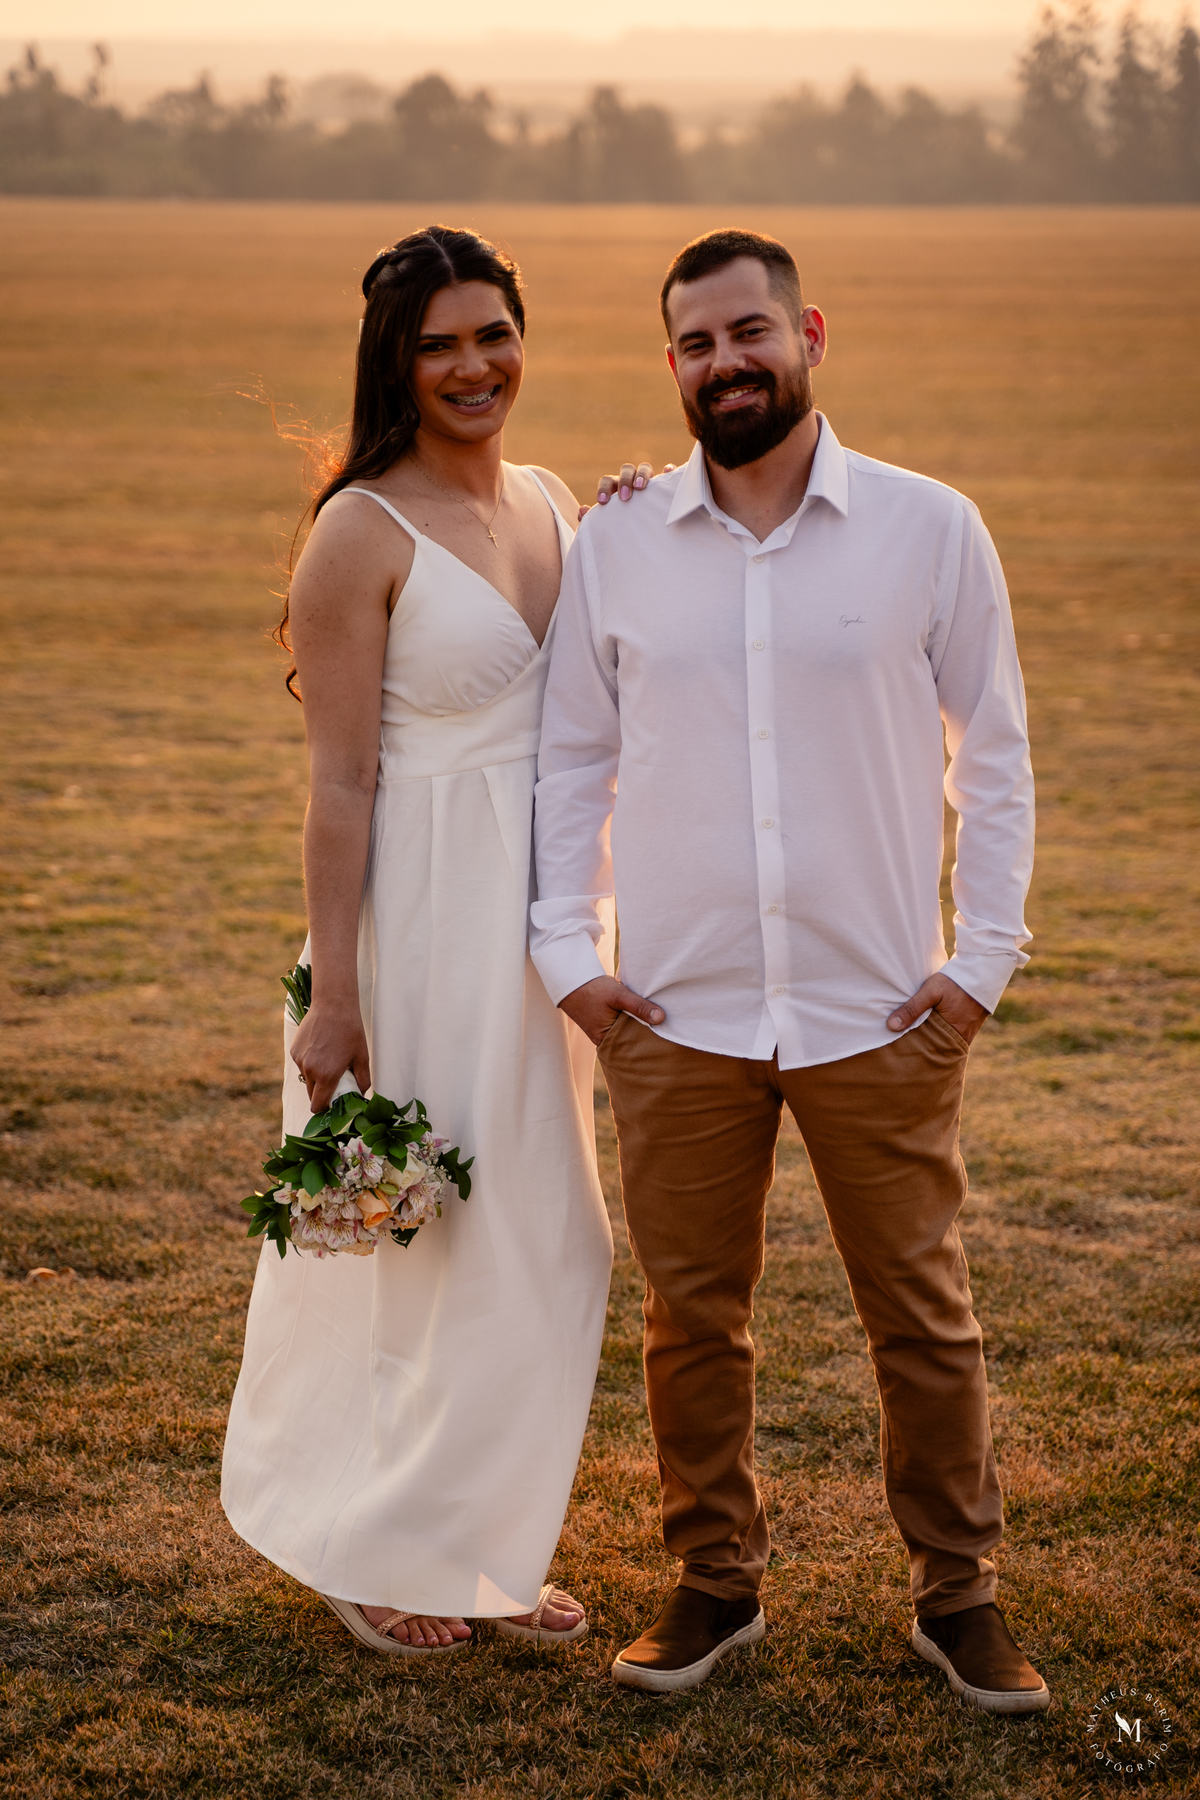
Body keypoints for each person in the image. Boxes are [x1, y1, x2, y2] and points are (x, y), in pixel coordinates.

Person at [532, 228, 1047, 1708]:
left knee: (924, 1315)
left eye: (748, 332)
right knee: (693, 1321)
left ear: (806, 330)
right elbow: (571, 764)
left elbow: (994, 759)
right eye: (694, 345)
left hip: (879, 1007)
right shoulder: (616, 544)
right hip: (674, 1011)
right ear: (672, 367)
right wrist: (573, 954)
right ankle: (714, 1583)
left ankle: (960, 1598)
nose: (725, 363)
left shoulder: (929, 528)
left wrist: (980, 963)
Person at [221, 225, 659, 1655]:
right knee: (409, 1238)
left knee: (547, 1240)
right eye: (440, 345)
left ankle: (481, 1538)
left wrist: (641, 524)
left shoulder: (546, 500)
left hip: (542, 934)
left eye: (493, 334)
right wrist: (335, 1001)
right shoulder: (360, 532)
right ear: (395, 365)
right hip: (412, 934)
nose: (475, 367)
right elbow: (338, 786)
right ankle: (374, 1545)